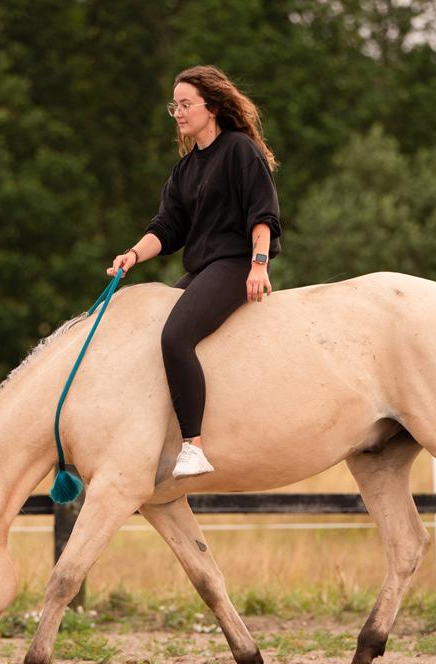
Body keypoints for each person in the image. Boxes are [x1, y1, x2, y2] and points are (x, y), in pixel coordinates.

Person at [107, 65, 281, 478]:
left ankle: (194, 446)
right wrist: (131, 255)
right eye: (175, 106)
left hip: (236, 263)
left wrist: (259, 265)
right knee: (155, 330)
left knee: (176, 334)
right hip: (204, 267)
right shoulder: (185, 169)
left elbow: (263, 214)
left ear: (213, 107)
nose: (179, 114)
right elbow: (166, 229)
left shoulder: (240, 150)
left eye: (186, 105)